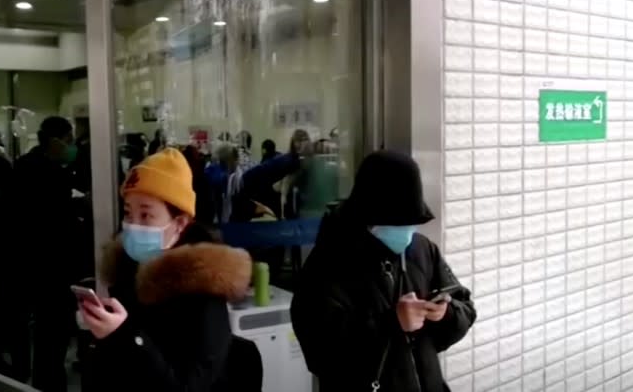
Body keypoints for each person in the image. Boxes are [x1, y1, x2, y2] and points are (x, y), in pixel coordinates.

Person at [290, 150, 476, 392]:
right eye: (399, 221)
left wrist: (446, 314)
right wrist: (391, 324)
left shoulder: (422, 250)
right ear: (370, 215)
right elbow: (321, 354)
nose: (408, 230)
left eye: (412, 220)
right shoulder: (328, 263)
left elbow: (465, 307)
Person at [81, 148, 262, 392]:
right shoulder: (128, 276)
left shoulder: (203, 292)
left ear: (179, 224)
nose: (133, 226)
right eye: (128, 213)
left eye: (146, 215)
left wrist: (125, 337)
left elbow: (187, 386)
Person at [13, 116, 80, 391]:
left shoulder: (24, 166)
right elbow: (56, 220)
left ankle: (44, 380)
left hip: (32, 264)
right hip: (52, 266)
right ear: (55, 141)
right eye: (69, 140)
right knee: (53, 334)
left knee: (44, 335)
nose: (72, 146)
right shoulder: (50, 173)